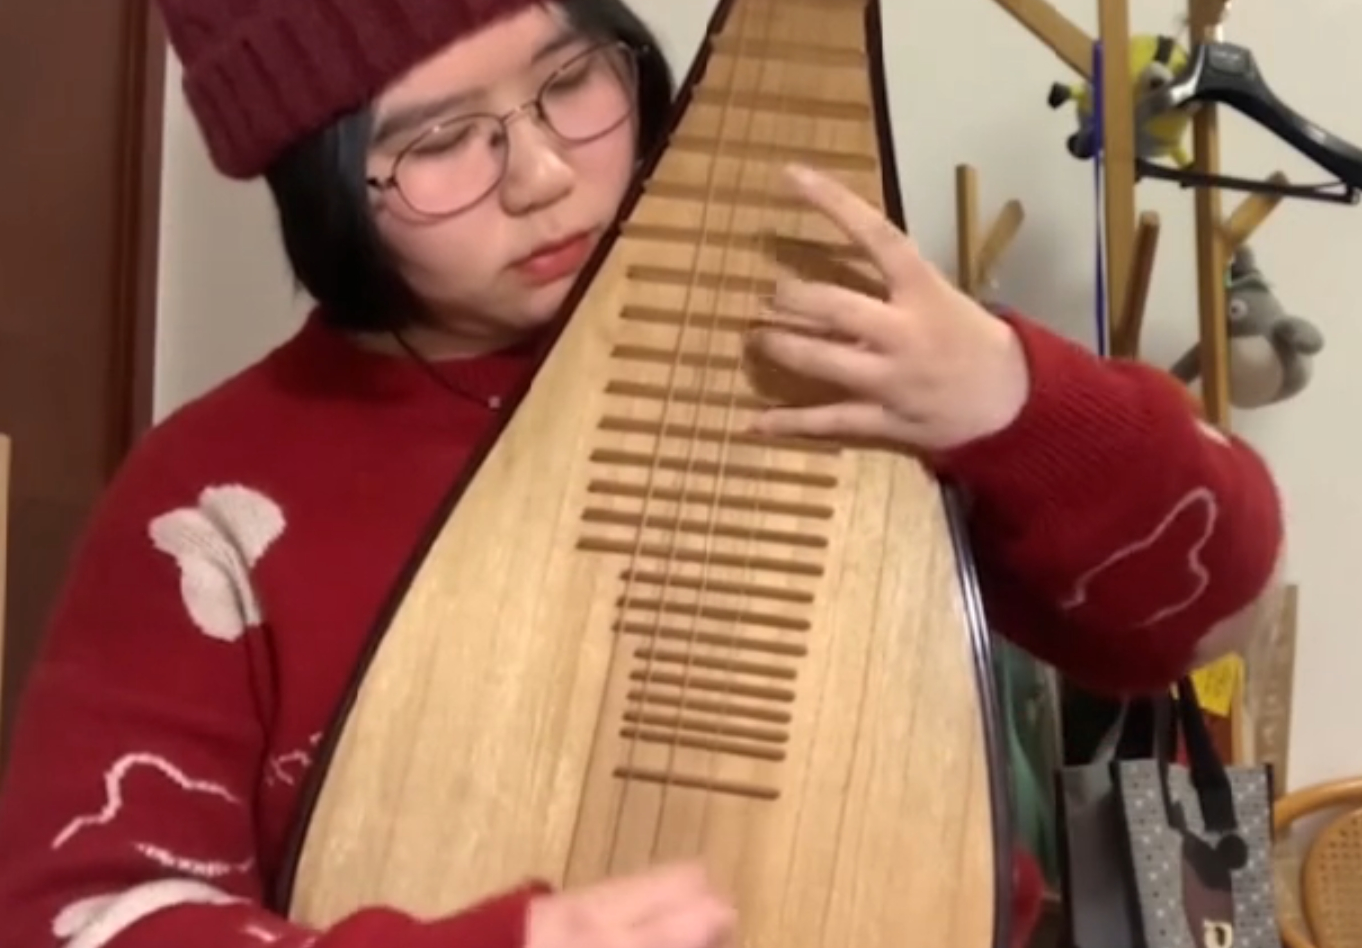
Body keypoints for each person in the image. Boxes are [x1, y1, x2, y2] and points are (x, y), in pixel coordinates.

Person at [0, 0, 1285, 946]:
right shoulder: (214, 497)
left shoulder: (840, 349)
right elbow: (81, 917)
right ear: (320, 185)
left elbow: (1206, 609)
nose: (544, 174)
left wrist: (1010, 400)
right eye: (440, 141)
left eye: (571, 80)